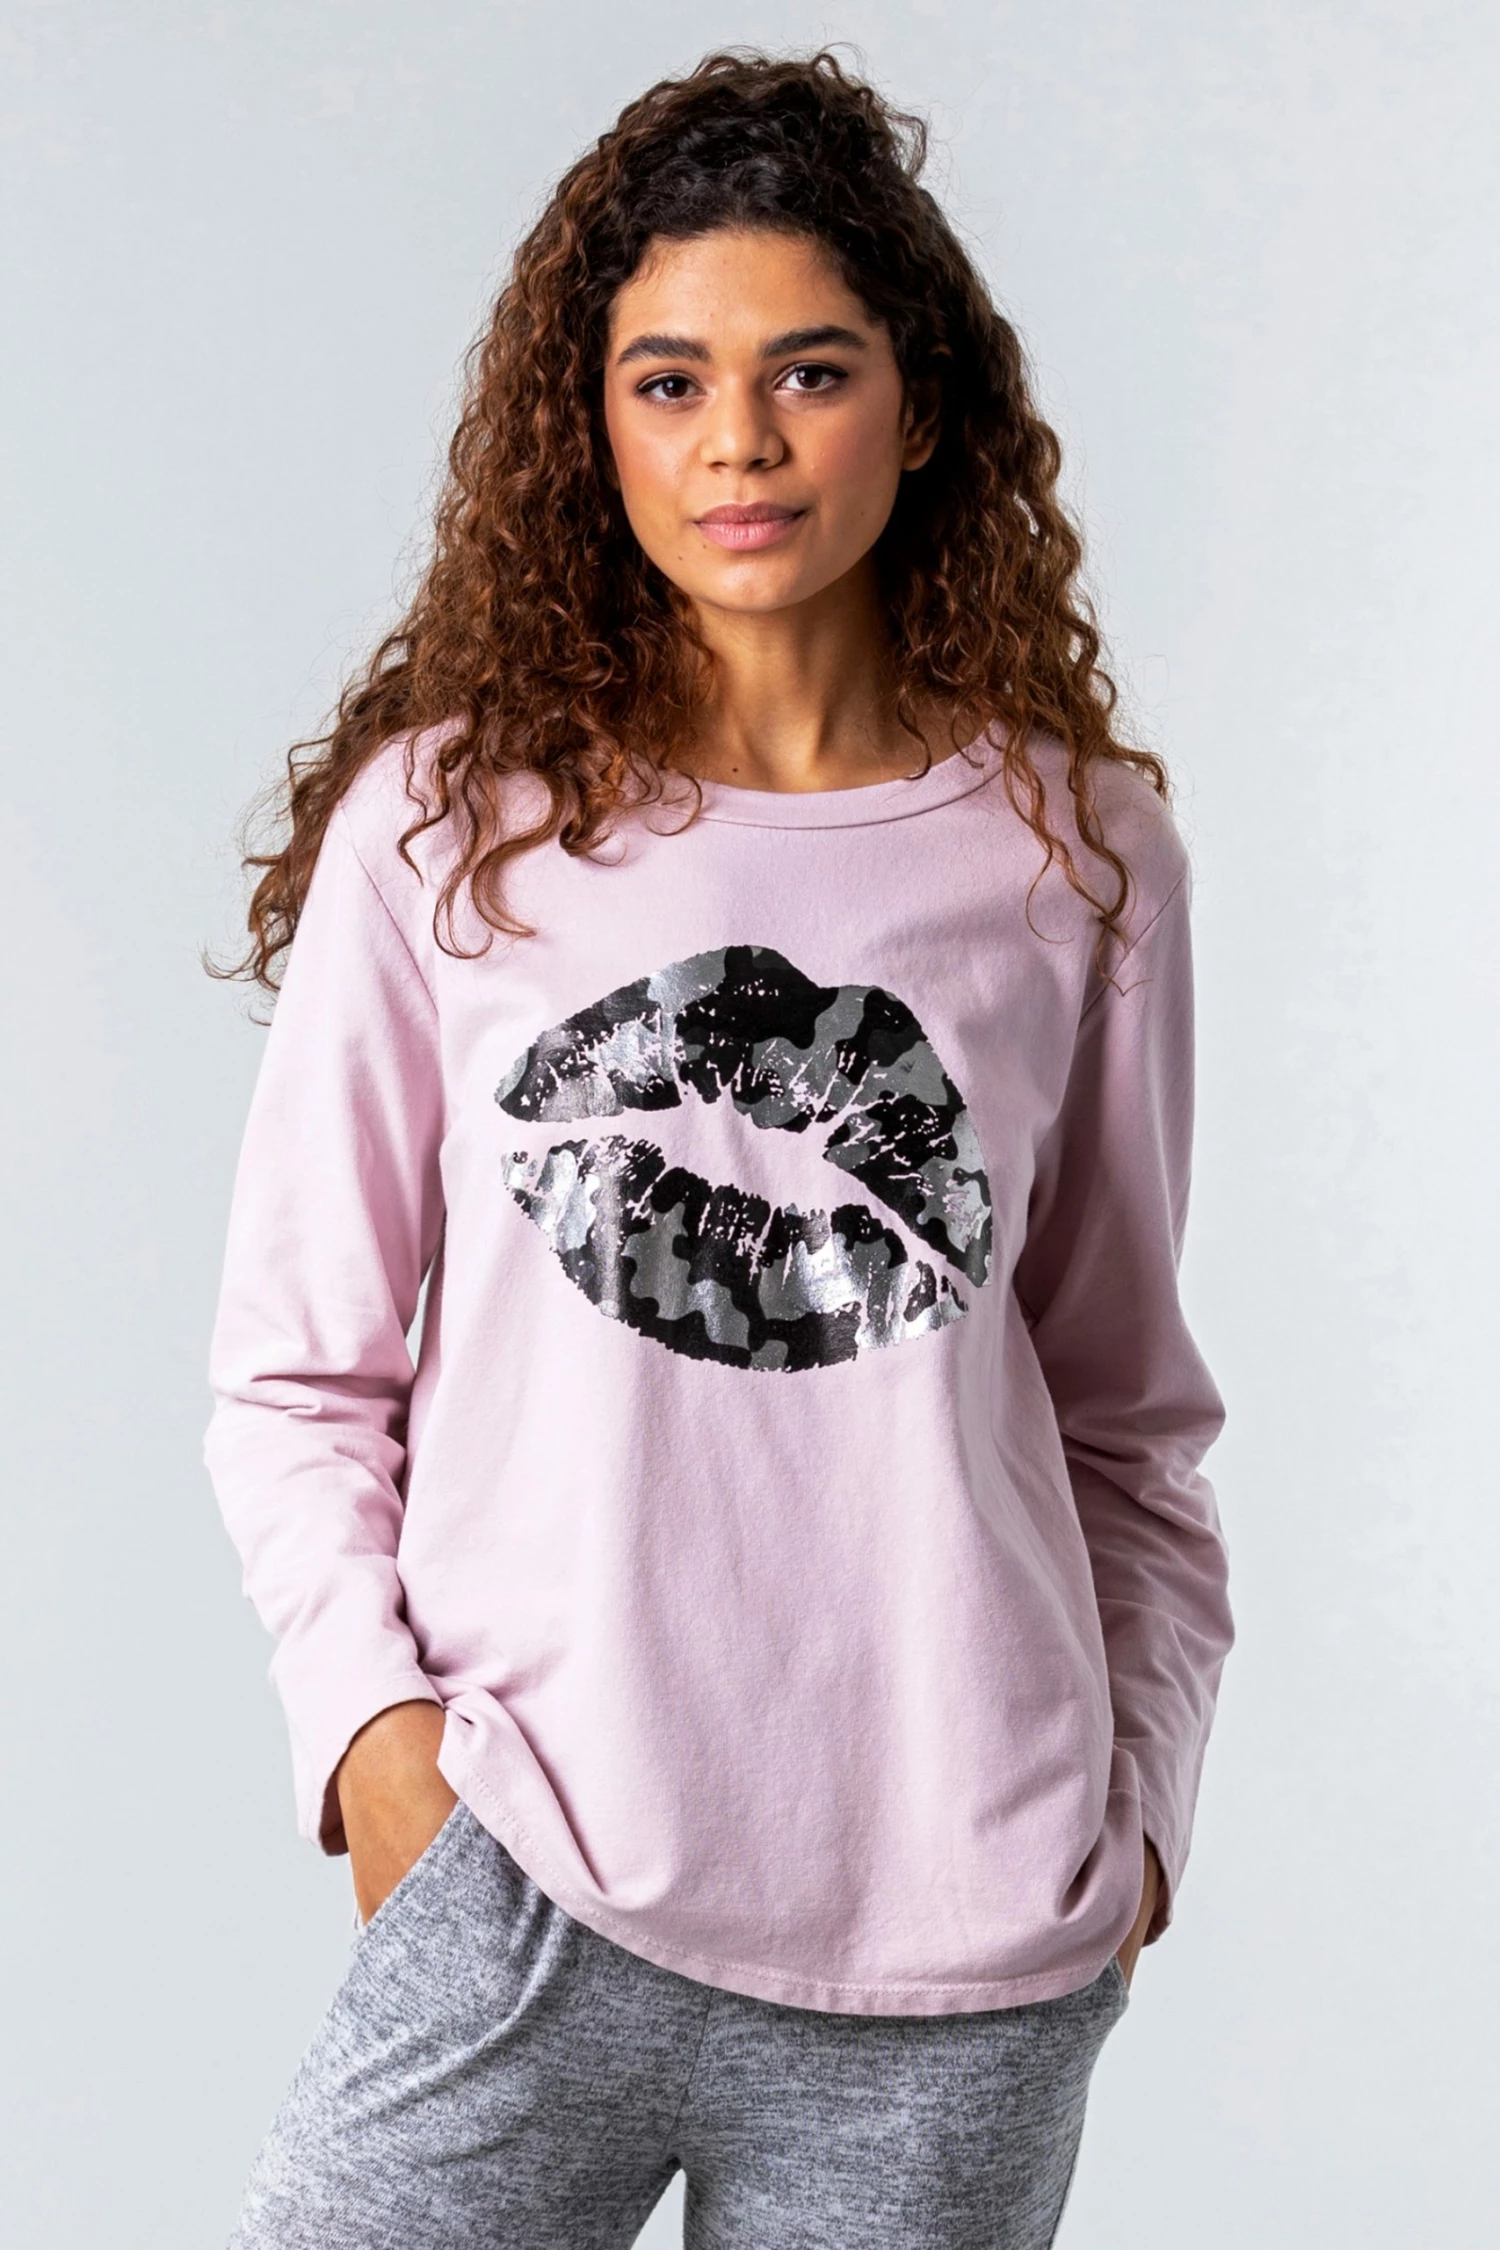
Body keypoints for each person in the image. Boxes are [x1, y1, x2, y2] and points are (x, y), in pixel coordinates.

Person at [203, 46, 1234, 2250]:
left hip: (960, 1941)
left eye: (810, 373)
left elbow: (1127, 1417)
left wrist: (1136, 1815)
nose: (739, 442)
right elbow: (295, 1375)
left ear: (922, 409)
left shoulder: (1080, 859)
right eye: (668, 382)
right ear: (591, 427)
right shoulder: (447, 831)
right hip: (521, 1880)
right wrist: (378, 1748)